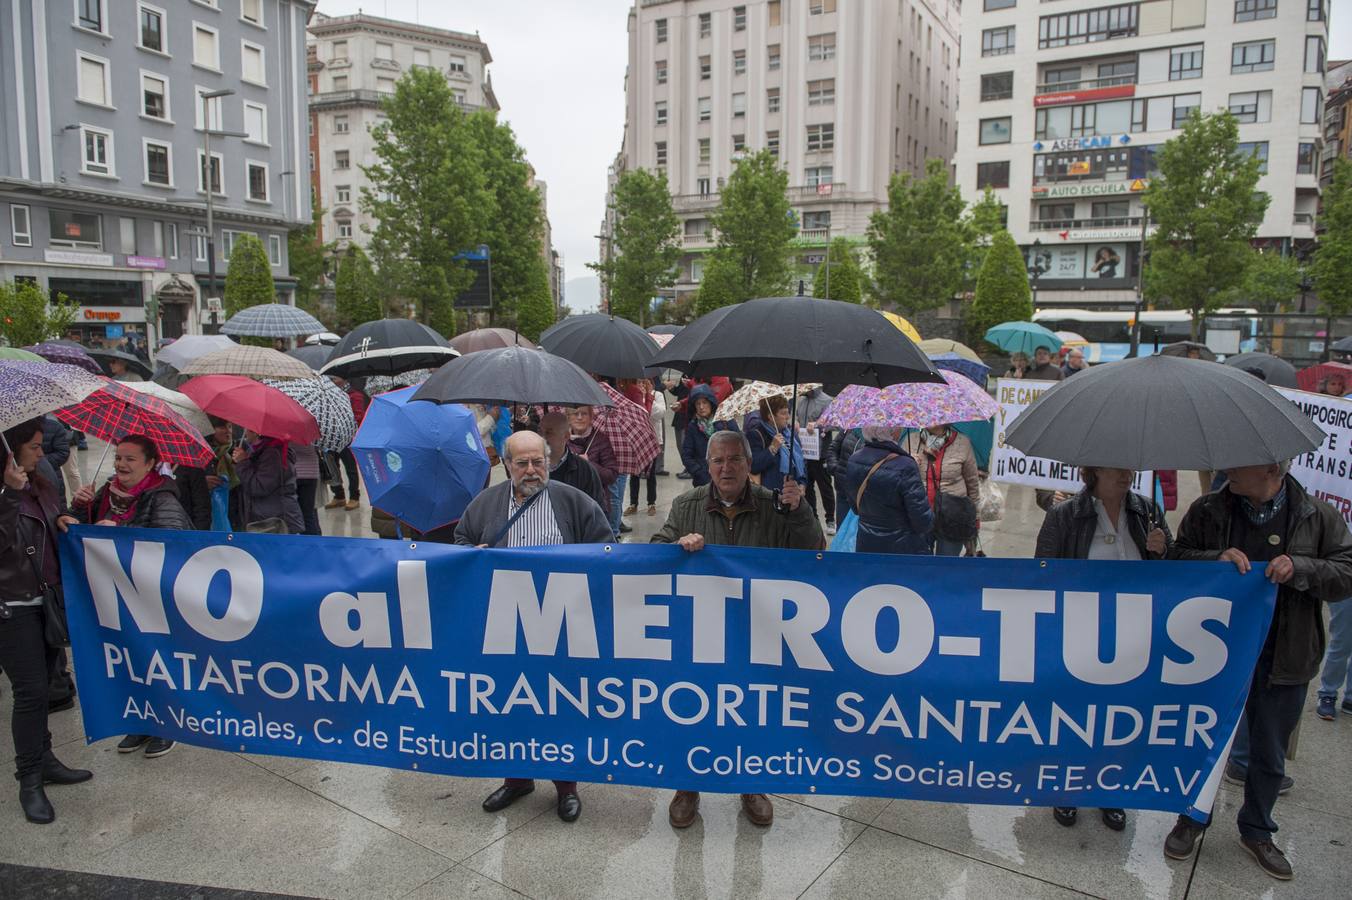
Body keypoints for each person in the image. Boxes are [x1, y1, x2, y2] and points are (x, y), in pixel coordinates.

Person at [1161, 461, 1352, 880]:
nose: (1228, 467)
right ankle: (1191, 819)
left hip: (1284, 657)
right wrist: (1216, 559)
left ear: (1271, 468)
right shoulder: (1208, 509)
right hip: (1213, 655)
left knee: (1268, 751)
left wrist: (1301, 568)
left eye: (1240, 462)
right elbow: (1177, 558)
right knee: (1203, 740)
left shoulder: (1317, 516)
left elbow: (1346, 573)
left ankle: (1257, 829)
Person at [653, 429, 823, 829]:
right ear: (707, 465)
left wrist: (799, 511)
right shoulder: (686, 504)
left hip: (757, 633)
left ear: (750, 464)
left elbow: (813, 554)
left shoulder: (774, 505)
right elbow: (655, 554)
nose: (726, 468)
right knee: (692, 709)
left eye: (735, 460)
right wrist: (677, 546)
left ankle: (752, 782)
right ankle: (687, 784)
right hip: (700, 633)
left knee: (752, 709)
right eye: (717, 460)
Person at [454, 431, 611, 823]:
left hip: (561, 628)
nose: (530, 470)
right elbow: (459, 544)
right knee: (510, 704)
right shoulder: (485, 504)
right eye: (521, 463)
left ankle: (566, 786)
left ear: (549, 461)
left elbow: (608, 550)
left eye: (537, 461)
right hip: (504, 628)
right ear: (507, 465)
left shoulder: (574, 502)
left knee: (560, 707)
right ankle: (518, 778)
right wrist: (470, 557)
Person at [1035, 466, 1171, 834]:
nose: (1127, 474)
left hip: (1132, 637)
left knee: (1119, 715)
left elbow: (1172, 579)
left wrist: (1160, 552)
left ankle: (1110, 787)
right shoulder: (1065, 515)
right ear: (1093, 471)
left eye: (1129, 466)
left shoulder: (1148, 512)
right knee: (1075, 712)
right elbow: (1041, 574)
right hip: (1078, 634)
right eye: (1116, 466)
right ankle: (1067, 786)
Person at [71, 435, 191, 760]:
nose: (121, 465)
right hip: (116, 598)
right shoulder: (107, 492)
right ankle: (140, 719)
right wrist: (80, 508)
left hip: (152, 601)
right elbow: (76, 530)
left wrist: (119, 534)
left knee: (156, 662)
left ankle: (167, 724)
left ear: (151, 463)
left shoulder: (162, 497)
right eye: (118, 457)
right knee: (130, 662)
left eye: (130, 459)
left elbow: (171, 543)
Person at [0, 418, 94, 824]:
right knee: (31, 693)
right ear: (11, 448)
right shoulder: (10, 490)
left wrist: (63, 519)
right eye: (35, 447)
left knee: (49, 685)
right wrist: (8, 494)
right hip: (11, 606)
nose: (42, 453)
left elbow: (44, 531)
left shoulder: (41, 482)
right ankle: (29, 779)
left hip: (47, 601)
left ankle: (47, 759)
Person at [842, 426, 933, 555]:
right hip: (902, 549)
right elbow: (923, 522)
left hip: (867, 544)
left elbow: (855, 508)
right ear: (893, 432)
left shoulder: (854, 459)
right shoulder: (906, 466)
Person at [902, 423, 980, 556]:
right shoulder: (911, 440)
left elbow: (972, 482)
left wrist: (975, 519)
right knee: (921, 564)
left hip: (953, 516)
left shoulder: (963, 443)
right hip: (919, 514)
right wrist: (907, 463)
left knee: (946, 566)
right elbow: (899, 478)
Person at [233, 430, 305, 534]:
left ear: (256, 432)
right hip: (270, 520)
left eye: (248, 428)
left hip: (276, 523)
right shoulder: (262, 451)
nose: (245, 432)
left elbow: (258, 487)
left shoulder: (272, 454)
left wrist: (243, 463)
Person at [539, 412, 608, 513]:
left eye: (549, 432)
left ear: (566, 436)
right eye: (540, 431)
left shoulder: (584, 470)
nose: (542, 437)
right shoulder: (530, 466)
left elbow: (597, 511)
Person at [567, 405, 620, 536]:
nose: (579, 417)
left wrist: (589, 464)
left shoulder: (601, 439)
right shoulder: (562, 440)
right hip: (568, 506)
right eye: (575, 413)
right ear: (568, 418)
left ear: (591, 418)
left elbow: (611, 475)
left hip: (596, 506)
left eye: (584, 414)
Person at [795, 386, 837, 536]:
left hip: (821, 453)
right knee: (807, 487)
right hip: (804, 452)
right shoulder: (802, 401)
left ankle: (830, 519)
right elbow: (798, 418)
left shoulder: (827, 400)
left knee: (825, 487)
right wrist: (797, 424)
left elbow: (836, 423)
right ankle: (814, 518)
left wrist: (819, 425)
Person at [679, 384, 738, 488]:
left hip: (727, 477)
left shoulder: (726, 421)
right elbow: (686, 455)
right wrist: (699, 472)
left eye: (704, 403)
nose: (701, 407)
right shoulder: (693, 427)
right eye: (698, 404)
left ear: (711, 403)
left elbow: (740, 445)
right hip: (703, 482)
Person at [745, 395, 805, 492]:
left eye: (788, 412)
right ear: (770, 417)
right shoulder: (756, 434)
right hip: (770, 495)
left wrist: (802, 483)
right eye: (783, 413)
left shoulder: (790, 434)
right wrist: (772, 448)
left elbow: (801, 459)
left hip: (792, 493)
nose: (788, 417)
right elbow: (753, 466)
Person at [620, 377, 659, 518]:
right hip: (637, 436)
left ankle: (651, 503)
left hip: (645, 437)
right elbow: (644, 415)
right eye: (640, 382)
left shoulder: (627, 389)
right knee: (635, 473)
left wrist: (649, 395)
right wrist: (648, 396)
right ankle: (634, 503)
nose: (642, 385)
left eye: (645, 382)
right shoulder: (633, 391)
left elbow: (657, 412)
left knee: (650, 473)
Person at [326, 376, 366, 511]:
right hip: (330, 437)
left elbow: (358, 417)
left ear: (344, 379)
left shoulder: (354, 395)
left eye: (335, 378)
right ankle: (338, 496)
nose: (332, 381)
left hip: (347, 438)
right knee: (332, 468)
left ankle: (354, 497)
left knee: (350, 468)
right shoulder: (328, 394)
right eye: (331, 379)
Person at [826, 426, 866, 520]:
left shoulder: (878, 435)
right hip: (843, 490)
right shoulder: (849, 427)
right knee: (842, 529)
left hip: (863, 494)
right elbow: (833, 449)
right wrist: (835, 469)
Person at [292, 441, 323, 535]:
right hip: (311, 473)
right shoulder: (315, 429)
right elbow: (319, 448)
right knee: (308, 513)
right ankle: (312, 544)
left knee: (291, 513)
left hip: (293, 473)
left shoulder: (287, 430)